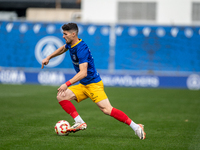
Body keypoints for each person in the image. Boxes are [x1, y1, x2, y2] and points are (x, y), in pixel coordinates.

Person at [41, 23, 146, 140]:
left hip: (93, 84)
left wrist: (66, 84)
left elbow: (83, 73)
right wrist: (48, 57)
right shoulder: (71, 44)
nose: (63, 36)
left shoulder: (82, 49)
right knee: (61, 96)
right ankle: (79, 122)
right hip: (84, 84)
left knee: (107, 109)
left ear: (73, 34)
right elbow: (62, 49)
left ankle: (136, 127)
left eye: (65, 34)